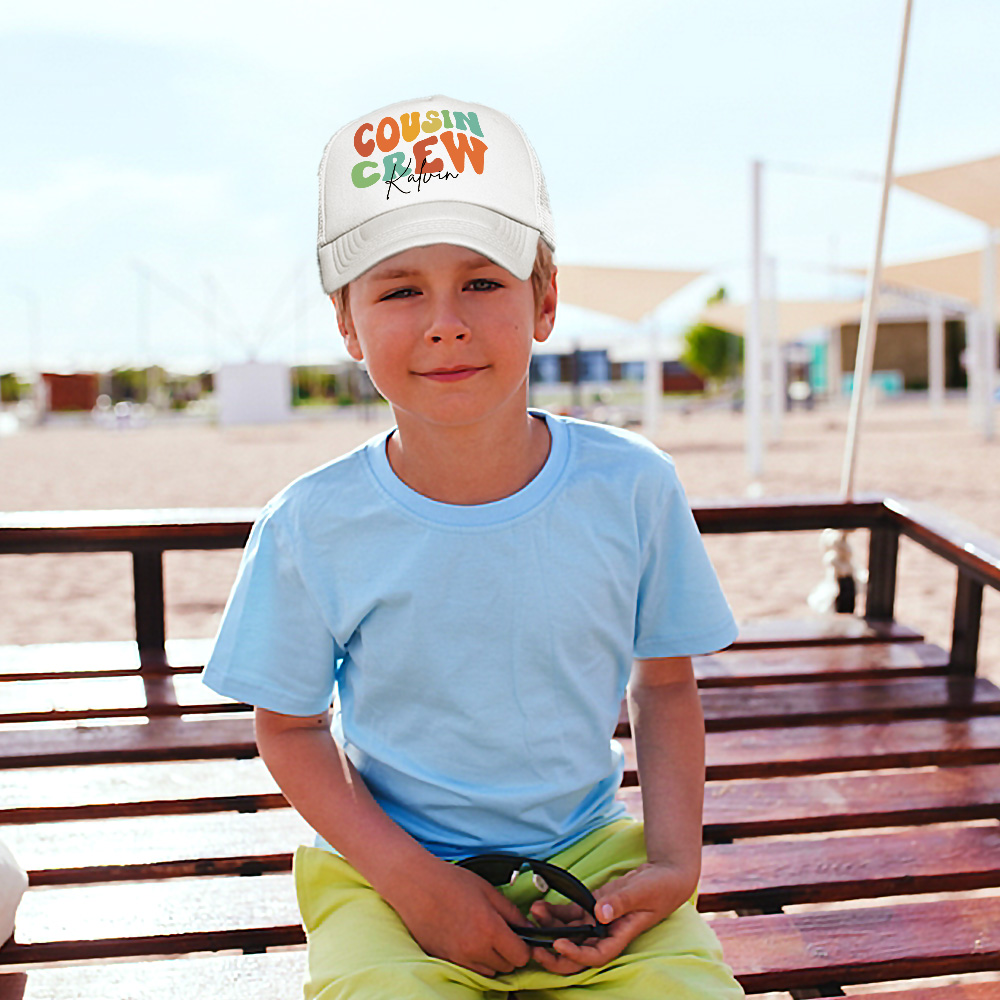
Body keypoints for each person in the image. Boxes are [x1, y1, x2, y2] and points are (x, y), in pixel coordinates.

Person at [203, 94, 746, 999]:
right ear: (347, 323)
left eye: (483, 282)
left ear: (544, 301)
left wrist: (673, 864)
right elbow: (291, 729)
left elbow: (665, 687)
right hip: (385, 872)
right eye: (400, 288)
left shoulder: (633, 486)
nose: (444, 321)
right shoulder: (310, 523)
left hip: (591, 852)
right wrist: (417, 886)